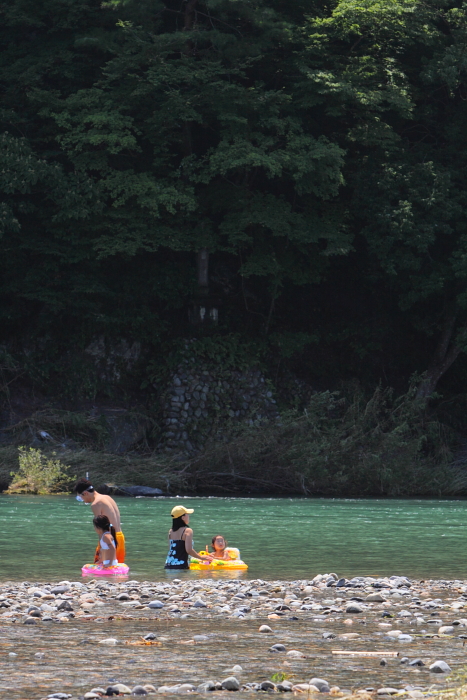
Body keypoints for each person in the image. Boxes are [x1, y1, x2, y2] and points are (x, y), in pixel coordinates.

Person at [74, 478, 126, 564]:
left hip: (109, 540)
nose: (82, 501)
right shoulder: (107, 497)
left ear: (85, 493)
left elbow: (100, 528)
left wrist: (102, 550)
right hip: (119, 537)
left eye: (80, 497)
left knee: (101, 570)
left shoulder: (96, 504)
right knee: (116, 569)